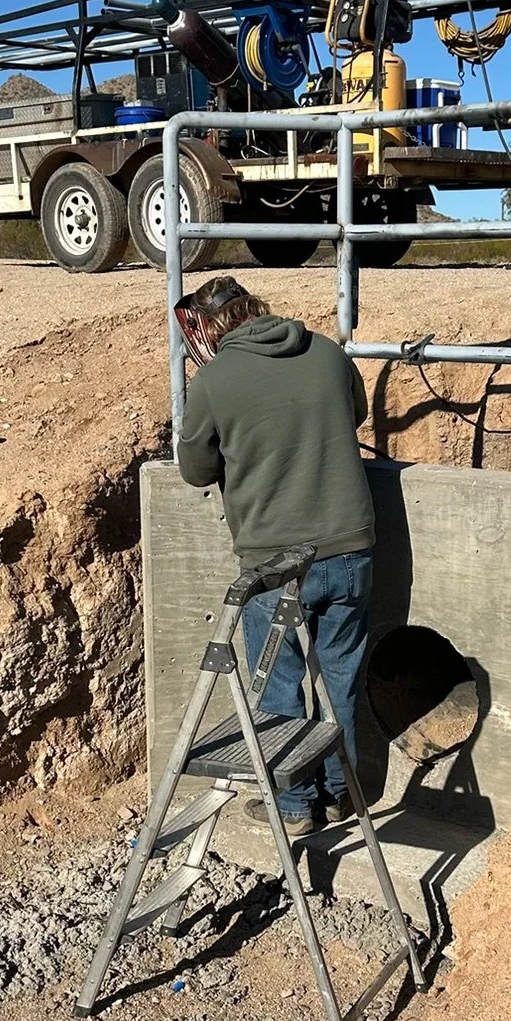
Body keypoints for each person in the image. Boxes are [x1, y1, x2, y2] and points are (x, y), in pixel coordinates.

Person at [174, 275, 373, 839]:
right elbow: (351, 414)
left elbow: (195, 471)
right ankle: (341, 796)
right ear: (257, 309)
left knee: (279, 684)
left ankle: (294, 807)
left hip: (273, 564)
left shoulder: (214, 380)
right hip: (349, 548)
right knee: (341, 679)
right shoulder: (330, 353)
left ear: (212, 328)